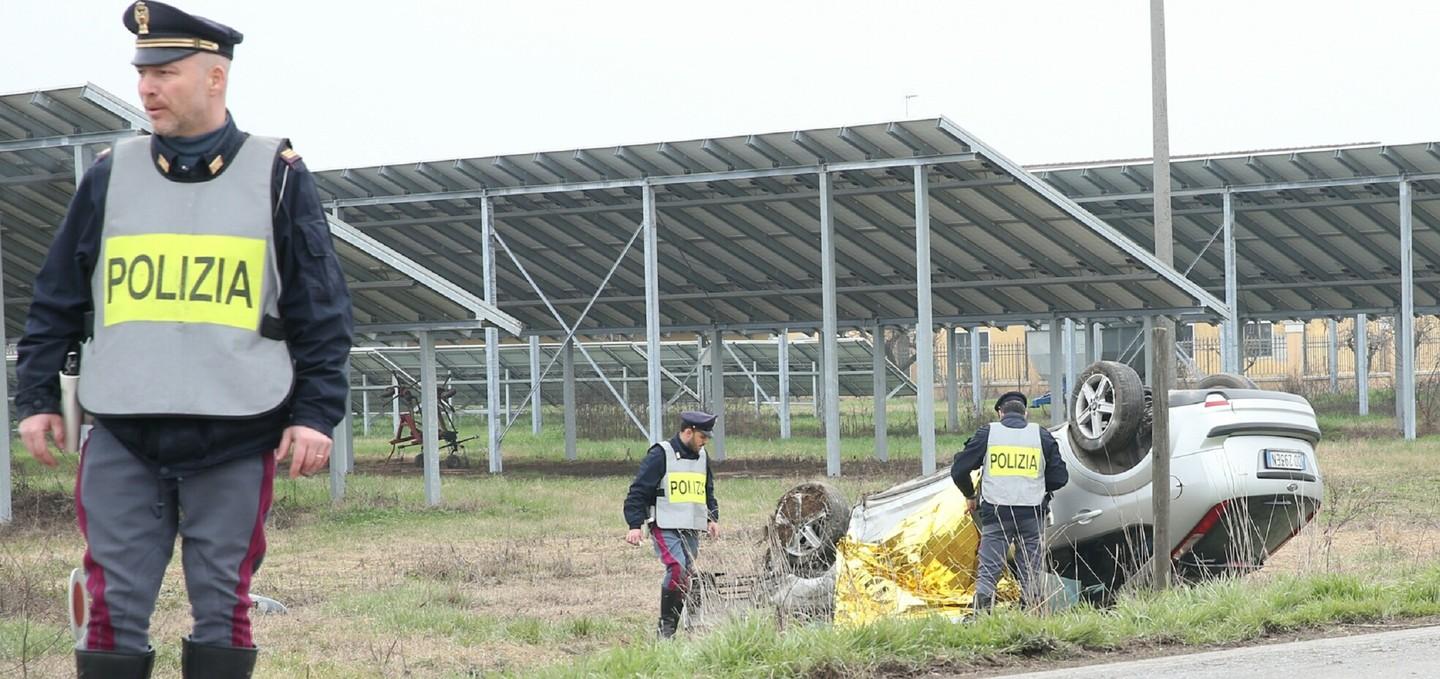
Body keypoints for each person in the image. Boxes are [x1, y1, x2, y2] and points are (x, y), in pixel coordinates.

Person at [13, 2, 353, 677]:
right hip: (122, 432)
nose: (147, 89)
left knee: (223, 605)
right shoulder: (110, 175)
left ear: (215, 78)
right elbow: (57, 295)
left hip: (235, 432)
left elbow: (321, 308)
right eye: (143, 75)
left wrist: (317, 414)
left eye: (165, 73)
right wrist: (37, 396)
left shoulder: (278, 174)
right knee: (110, 607)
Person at [950, 391, 1068, 614]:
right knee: (1031, 568)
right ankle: (1032, 612)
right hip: (1032, 514)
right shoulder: (1041, 435)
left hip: (997, 513)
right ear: (1025, 413)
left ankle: (982, 615)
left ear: (999, 413)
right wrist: (1036, 487)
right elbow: (1060, 477)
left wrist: (970, 495)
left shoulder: (988, 434)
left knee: (990, 567)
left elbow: (959, 470)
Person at [622, 410, 721, 638]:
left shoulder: (703, 457)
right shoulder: (661, 454)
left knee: (685, 574)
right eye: (702, 437)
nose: (705, 442)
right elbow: (638, 490)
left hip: (691, 527)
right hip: (665, 525)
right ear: (689, 432)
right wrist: (635, 524)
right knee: (677, 568)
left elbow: (707, 490)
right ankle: (665, 629)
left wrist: (712, 518)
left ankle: (679, 626)